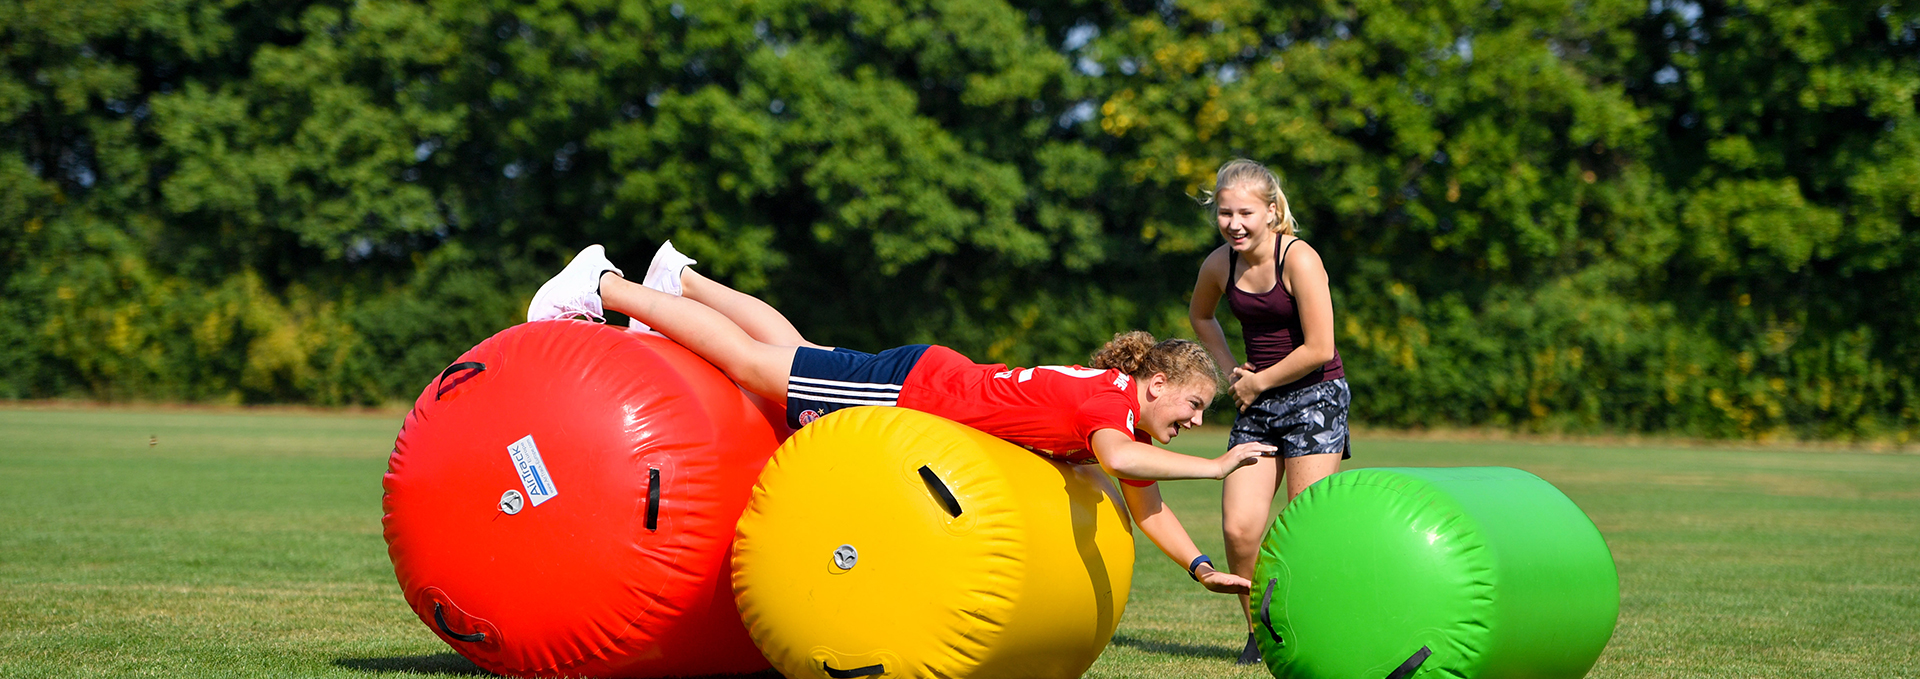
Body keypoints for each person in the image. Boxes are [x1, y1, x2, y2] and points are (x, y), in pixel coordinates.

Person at [526, 242, 1275, 594]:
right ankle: (606, 284)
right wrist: (1213, 468)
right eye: (1194, 405)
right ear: (1156, 381)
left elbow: (1145, 504)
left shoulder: (1121, 408)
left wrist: (1202, 567)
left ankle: (677, 278)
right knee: (761, 369)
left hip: (924, 379)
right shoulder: (1107, 407)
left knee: (795, 350)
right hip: (914, 394)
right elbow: (1123, 464)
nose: (1196, 422)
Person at [1187, 159, 1350, 664]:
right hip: (1258, 398)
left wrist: (1258, 380)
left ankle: (1318, 631)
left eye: (1245, 213)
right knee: (1239, 528)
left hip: (1315, 397)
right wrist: (1233, 370)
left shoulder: (1299, 259)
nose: (1234, 224)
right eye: (1224, 213)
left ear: (1272, 210)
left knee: (1306, 529)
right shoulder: (1220, 264)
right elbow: (1201, 314)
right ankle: (1263, 632)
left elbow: (1320, 346)